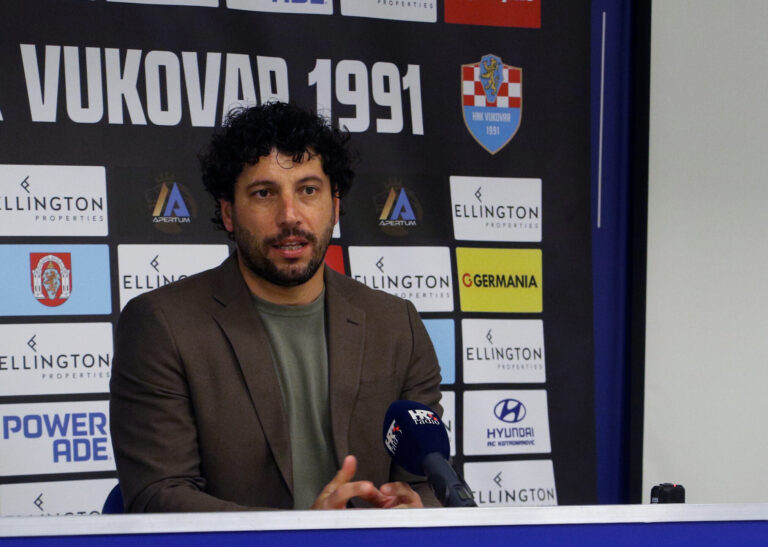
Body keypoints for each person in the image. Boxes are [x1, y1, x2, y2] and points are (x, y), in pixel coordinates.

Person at [109, 102, 443, 512]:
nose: (290, 216)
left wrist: (416, 509)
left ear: (335, 206)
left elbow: (429, 479)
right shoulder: (162, 325)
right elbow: (158, 496)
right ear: (228, 212)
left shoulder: (396, 324)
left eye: (308, 190)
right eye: (264, 193)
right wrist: (302, 535)